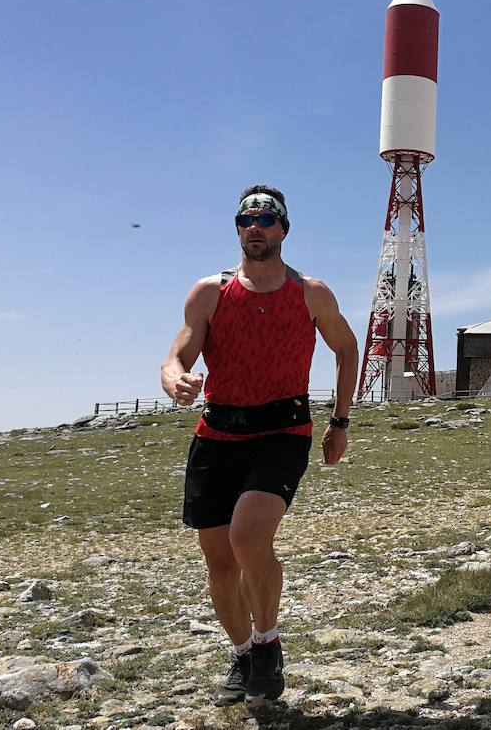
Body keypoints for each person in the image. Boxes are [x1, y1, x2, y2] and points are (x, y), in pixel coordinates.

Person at [160, 185, 359, 706]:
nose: (256, 226)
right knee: (220, 562)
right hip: (218, 433)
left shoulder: (311, 293)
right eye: (246, 218)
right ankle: (244, 653)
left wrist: (339, 421)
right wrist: (173, 375)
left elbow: (346, 348)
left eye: (266, 218)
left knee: (249, 540)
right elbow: (177, 353)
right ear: (238, 227)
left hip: (283, 429)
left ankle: (268, 646)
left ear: (283, 228)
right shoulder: (209, 292)